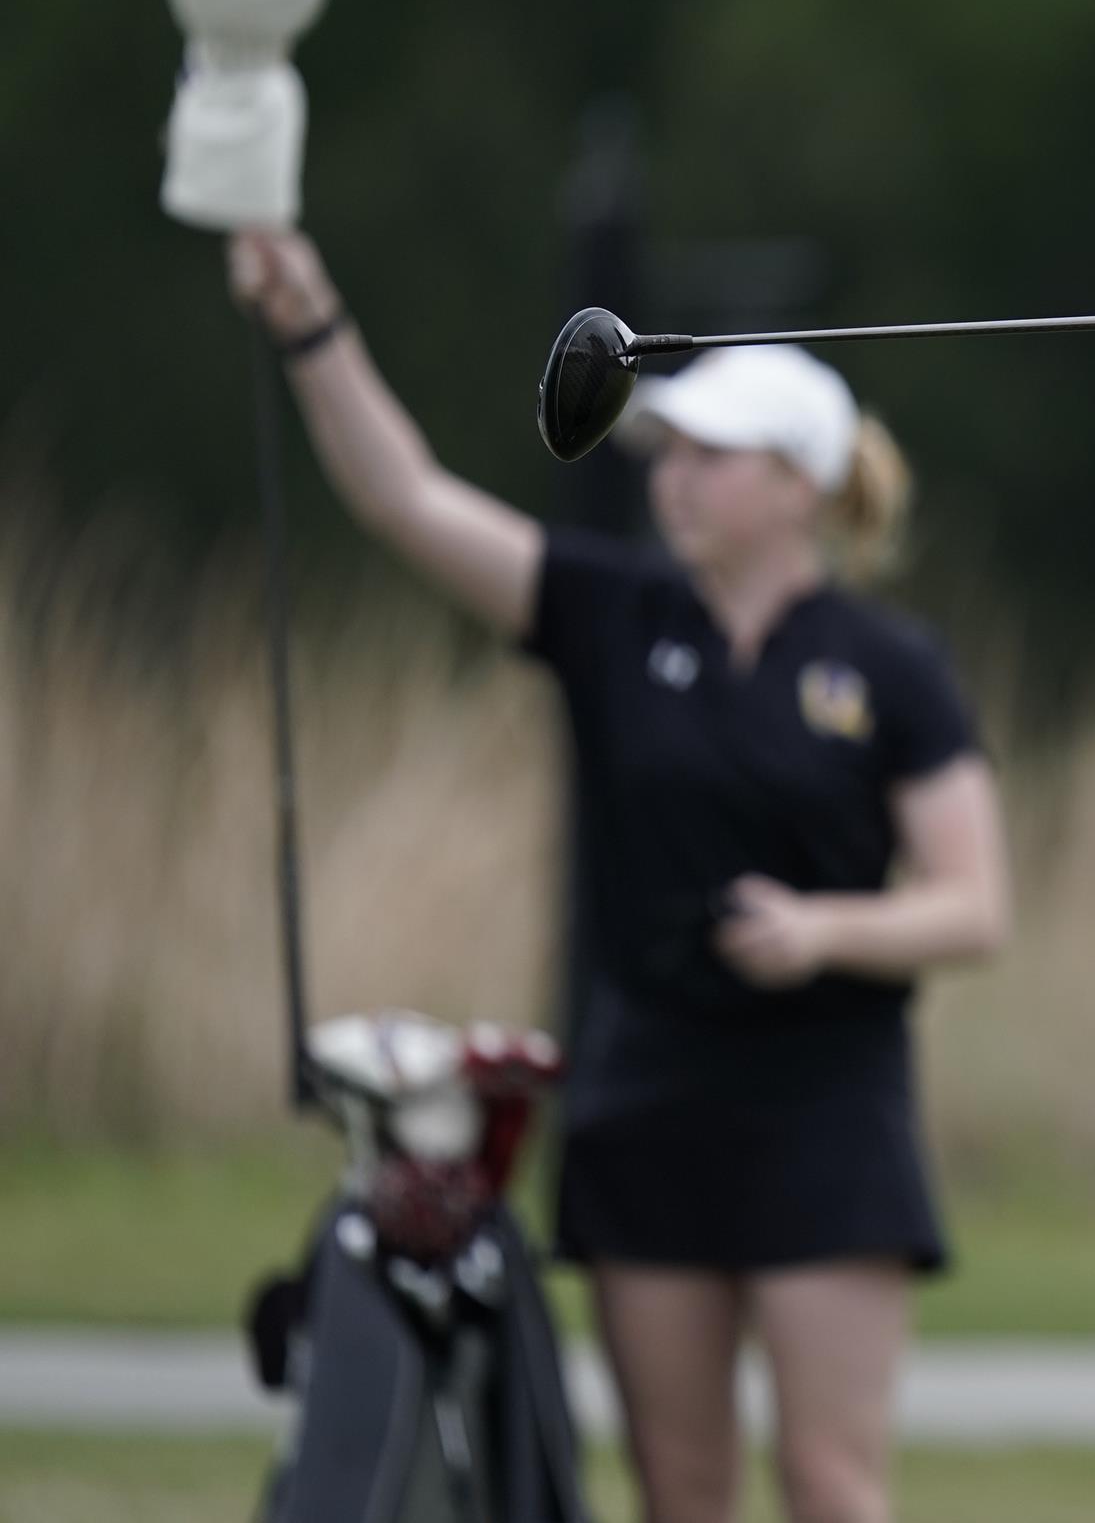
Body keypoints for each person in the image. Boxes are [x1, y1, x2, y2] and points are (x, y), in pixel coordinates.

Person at [229, 230, 1011, 1523]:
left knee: (830, 1485)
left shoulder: (891, 668)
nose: (677, 481)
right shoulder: (615, 616)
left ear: (802, 483)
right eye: (670, 455)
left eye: (714, 458)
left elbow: (972, 906)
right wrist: (313, 327)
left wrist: (821, 934)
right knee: (677, 1493)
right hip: (648, 1100)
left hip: (827, 1114)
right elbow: (403, 499)